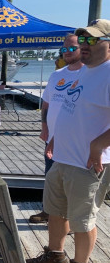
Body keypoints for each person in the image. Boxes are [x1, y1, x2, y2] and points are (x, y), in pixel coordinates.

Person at [26, 19, 110, 263]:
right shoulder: (84, 71)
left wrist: (98, 146)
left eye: (93, 40)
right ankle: (55, 255)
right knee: (56, 212)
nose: (85, 45)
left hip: (87, 163)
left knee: (83, 218)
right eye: (83, 40)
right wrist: (53, 138)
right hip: (62, 156)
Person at [29, 34, 83, 223]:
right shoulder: (57, 75)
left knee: (72, 183)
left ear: (82, 48)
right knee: (51, 176)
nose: (66, 53)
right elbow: (46, 104)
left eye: (71, 49)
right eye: (63, 49)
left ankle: (69, 219)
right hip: (52, 139)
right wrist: (44, 127)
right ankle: (48, 210)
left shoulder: (88, 75)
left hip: (75, 142)